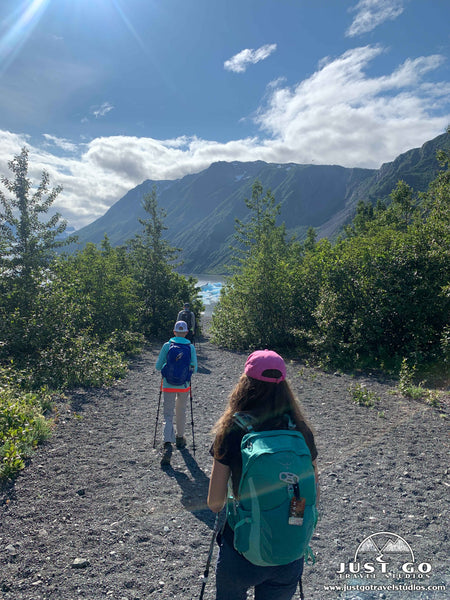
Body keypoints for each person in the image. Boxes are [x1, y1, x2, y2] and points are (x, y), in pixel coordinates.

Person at [207, 349, 319, 600]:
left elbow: (215, 504)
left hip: (242, 549)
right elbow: (311, 495)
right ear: (284, 385)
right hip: (290, 551)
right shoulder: (300, 429)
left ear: (245, 383)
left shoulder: (232, 429)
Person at [155, 320, 198, 466]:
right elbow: (195, 368)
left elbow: (157, 366)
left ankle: (167, 443)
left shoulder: (167, 346)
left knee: (167, 414)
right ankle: (180, 438)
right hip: (184, 386)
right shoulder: (190, 347)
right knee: (181, 411)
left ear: (174, 332)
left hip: (168, 385)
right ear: (186, 333)